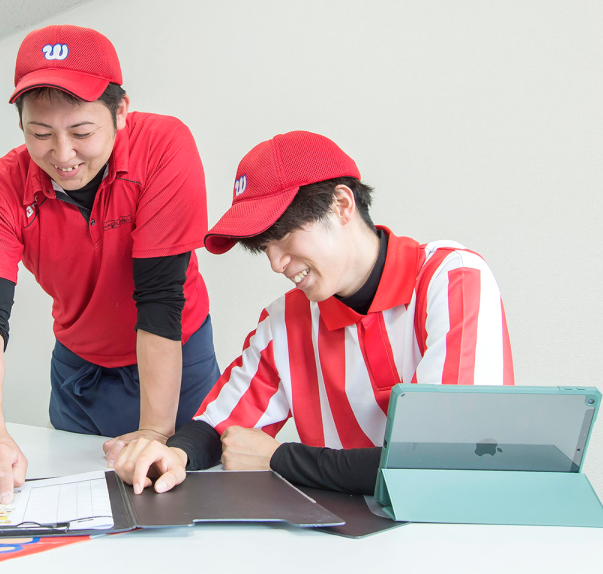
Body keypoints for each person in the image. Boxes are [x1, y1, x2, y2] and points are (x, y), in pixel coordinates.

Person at [113, 131, 515, 496]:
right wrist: (175, 455)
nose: (276, 263)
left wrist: (279, 459)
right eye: (264, 246)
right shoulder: (286, 320)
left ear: (342, 204)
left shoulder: (454, 279)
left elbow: (444, 459)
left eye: (283, 236)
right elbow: (217, 428)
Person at [0, 24, 220, 503]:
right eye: (40, 134)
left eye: (82, 132)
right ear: (20, 127)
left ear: (121, 112)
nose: (63, 154)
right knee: (77, 500)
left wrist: (155, 431)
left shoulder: (163, 146)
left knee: (185, 498)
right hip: (80, 367)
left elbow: (160, 297)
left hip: (174, 349)